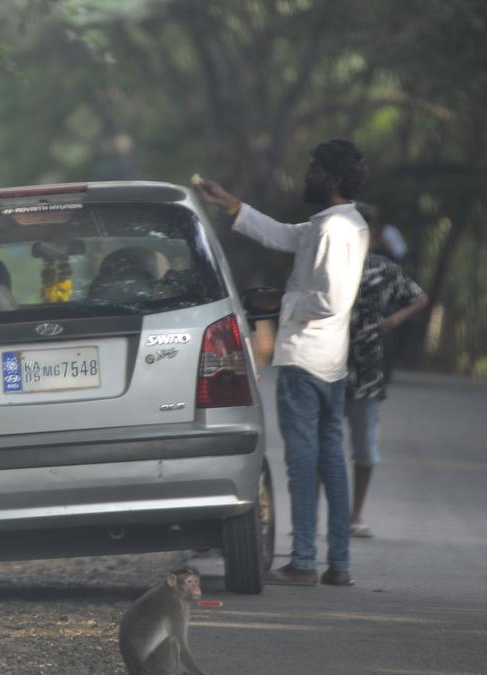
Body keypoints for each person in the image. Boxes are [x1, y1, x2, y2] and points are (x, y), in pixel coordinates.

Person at [193, 139, 370, 587]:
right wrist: (231, 204)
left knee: (302, 462)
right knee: (331, 461)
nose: (307, 176)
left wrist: (280, 303)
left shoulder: (332, 231)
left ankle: (305, 563)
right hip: (330, 361)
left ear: (331, 177)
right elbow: (283, 235)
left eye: (313, 169)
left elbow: (331, 300)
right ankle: (339, 563)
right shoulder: (341, 223)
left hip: (305, 360)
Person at [347, 202, 428, 538]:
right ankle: (313, 519)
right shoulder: (328, 266)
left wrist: (393, 320)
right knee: (322, 444)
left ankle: (355, 516)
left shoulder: (383, 268)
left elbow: (419, 298)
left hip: (367, 367)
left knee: (365, 446)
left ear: (374, 235)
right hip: (327, 366)